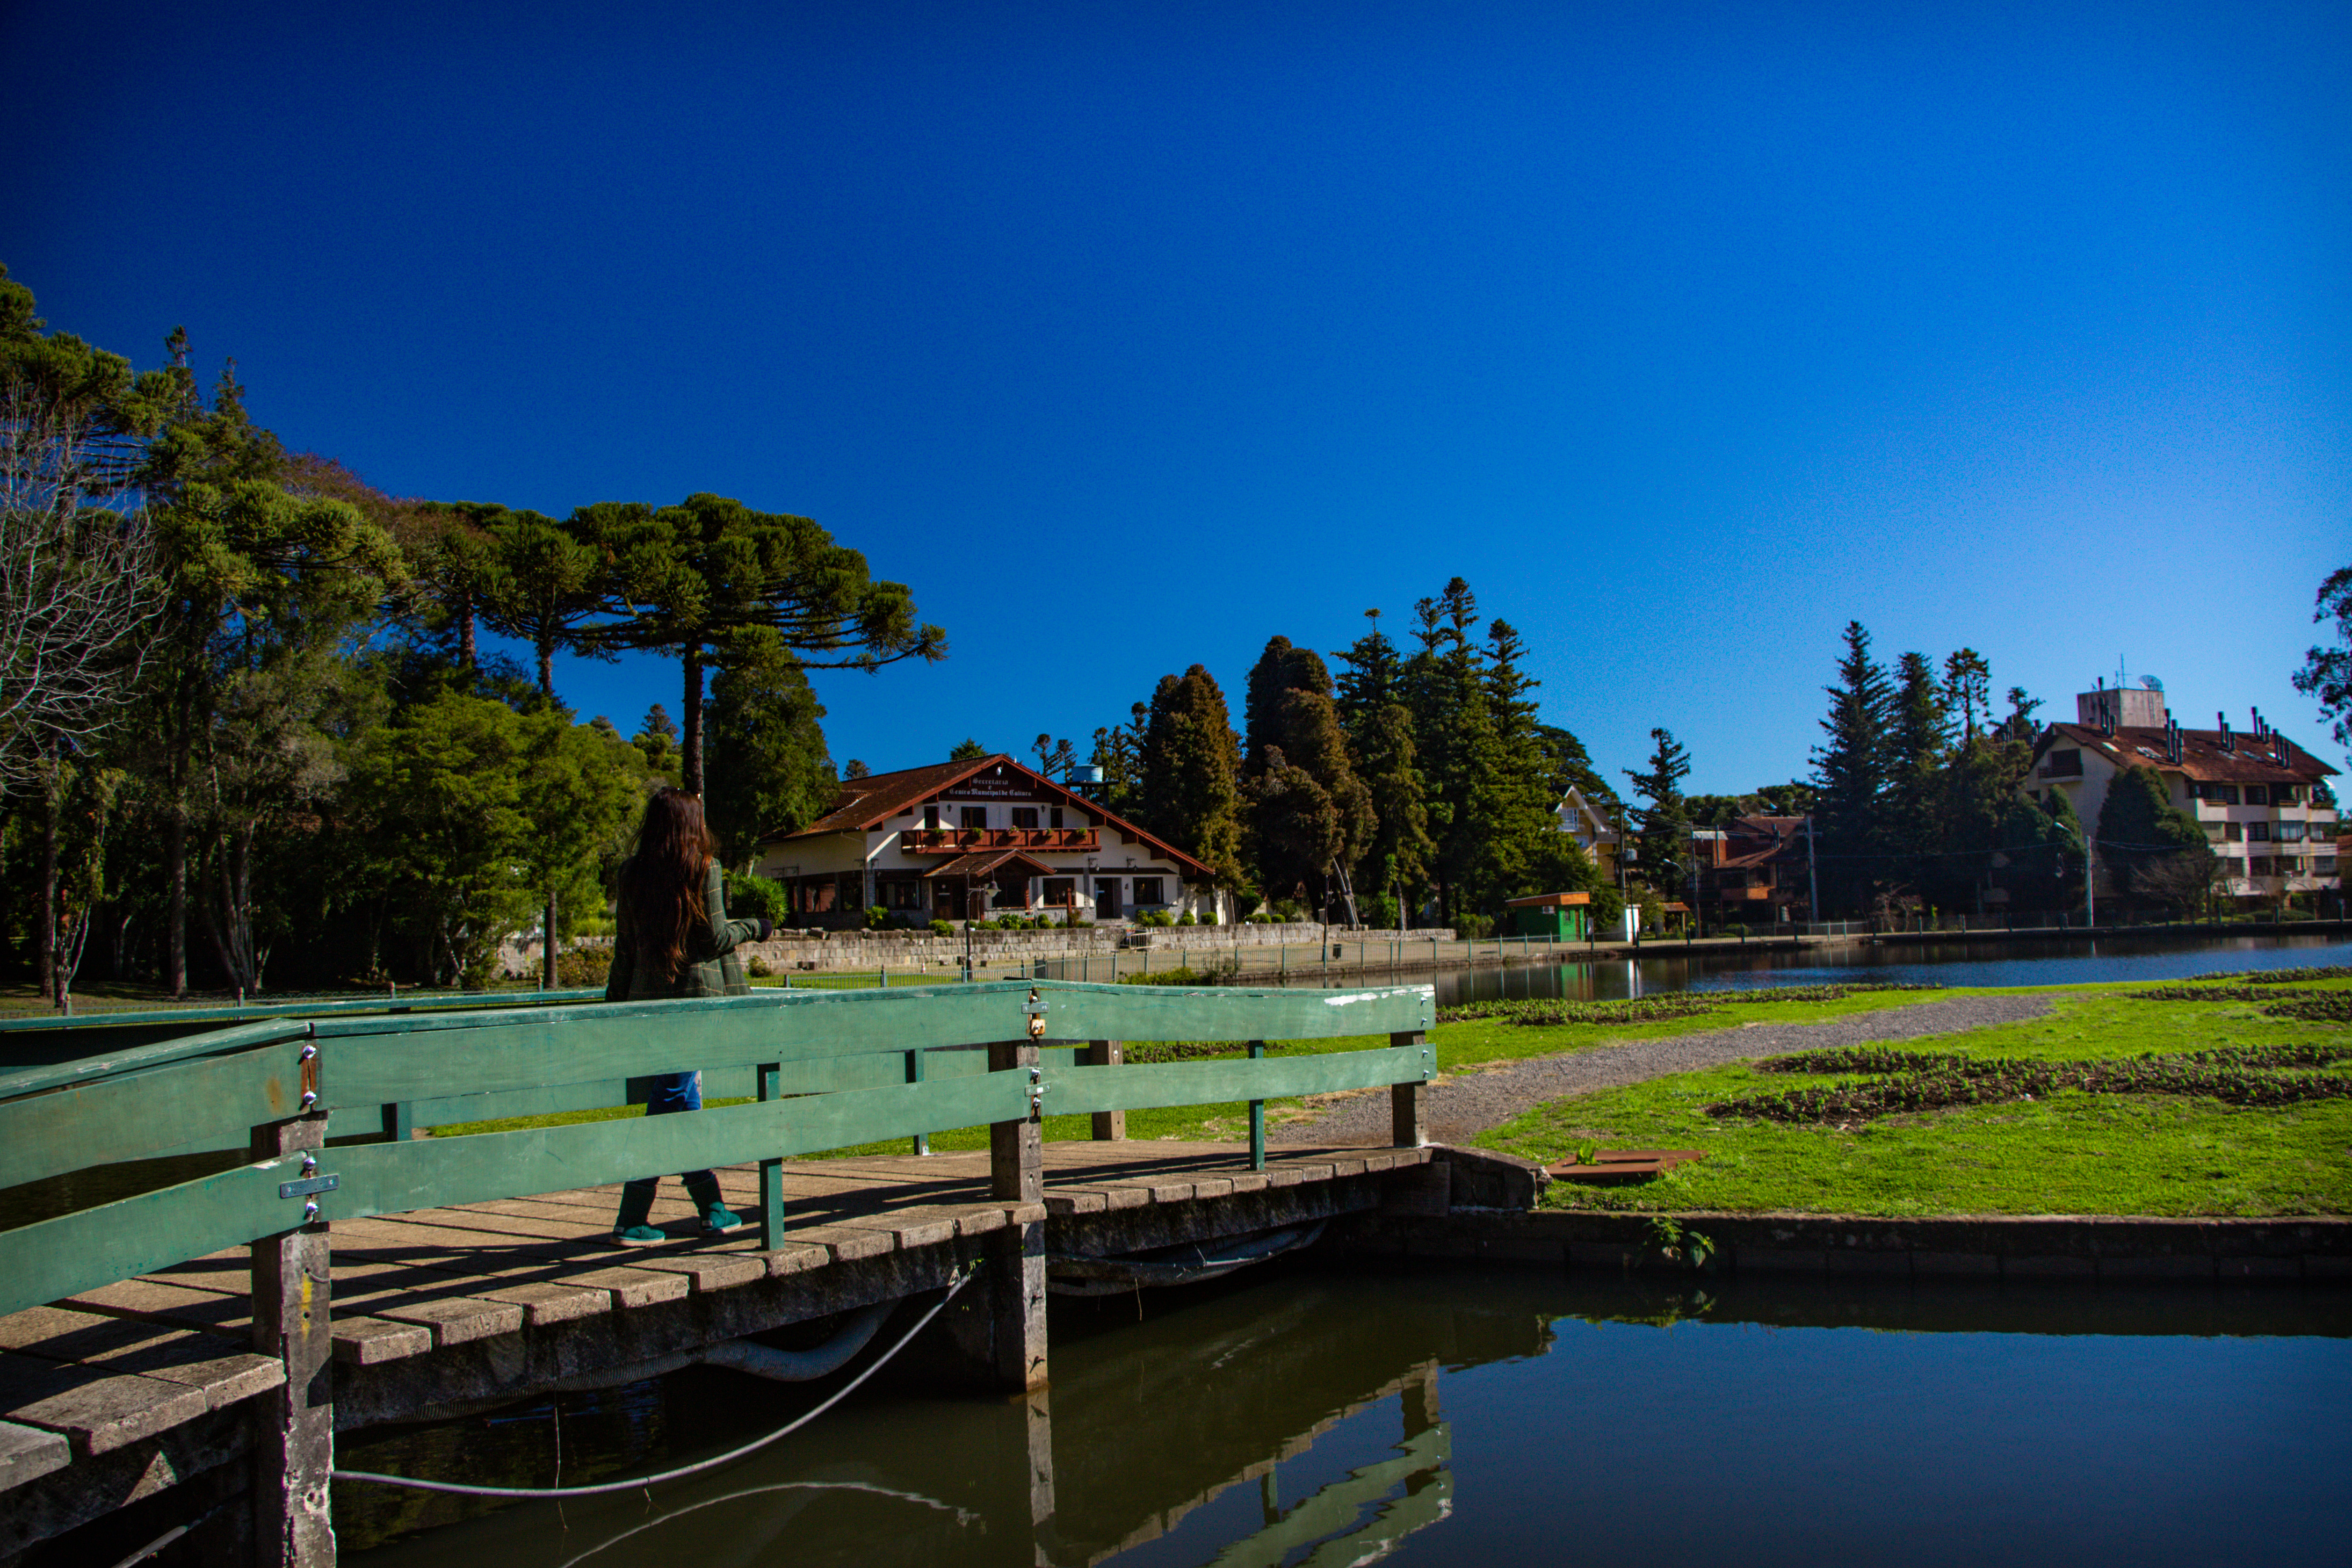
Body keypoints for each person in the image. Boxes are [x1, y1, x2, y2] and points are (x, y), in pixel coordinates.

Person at [603, 788, 773, 1245]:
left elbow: (624, 947)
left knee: (682, 1096)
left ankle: (712, 1207)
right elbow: (715, 938)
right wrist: (755, 928)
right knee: (672, 1097)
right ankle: (631, 1215)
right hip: (696, 1002)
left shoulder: (632, 873)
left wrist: (614, 1004)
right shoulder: (704, 868)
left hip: (648, 1002)